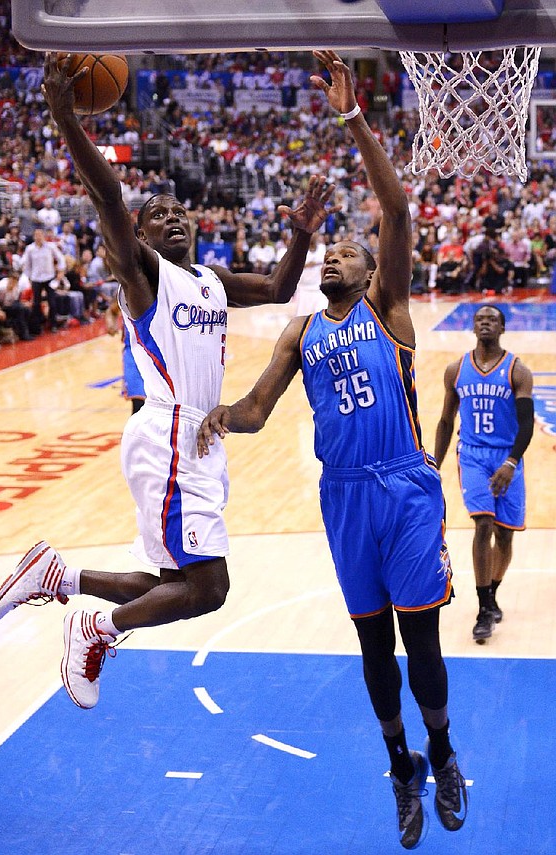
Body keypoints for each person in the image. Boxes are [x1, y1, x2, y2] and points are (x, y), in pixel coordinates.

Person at [0, 52, 335, 713]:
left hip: (195, 438)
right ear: (139, 236)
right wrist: (63, 115)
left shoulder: (210, 278)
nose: (171, 217)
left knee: (174, 579)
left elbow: (282, 287)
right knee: (209, 586)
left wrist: (298, 233)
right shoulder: (142, 275)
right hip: (169, 430)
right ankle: (96, 626)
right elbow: (109, 196)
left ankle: (60, 576)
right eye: (157, 214)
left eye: (179, 211)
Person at [196, 51, 467, 850]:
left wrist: (351, 115)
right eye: (329, 251)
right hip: (344, 495)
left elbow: (396, 205)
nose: (334, 255)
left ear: (374, 268)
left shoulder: (388, 308)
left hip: (404, 488)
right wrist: (213, 417)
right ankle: (401, 766)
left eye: (347, 249)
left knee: (422, 644)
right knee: (374, 648)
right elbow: (253, 410)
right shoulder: (300, 330)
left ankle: (445, 752)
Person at [434, 305, 534, 643]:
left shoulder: (518, 371)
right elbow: (446, 421)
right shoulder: (456, 369)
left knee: (505, 536)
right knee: (483, 524)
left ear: (503, 327)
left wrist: (511, 463)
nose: (486, 323)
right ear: (473, 327)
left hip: (506, 457)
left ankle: (492, 592)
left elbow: (526, 425)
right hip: (472, 456)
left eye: (492, 319)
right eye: (480, 319)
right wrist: (435, 462)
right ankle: (482, 608)